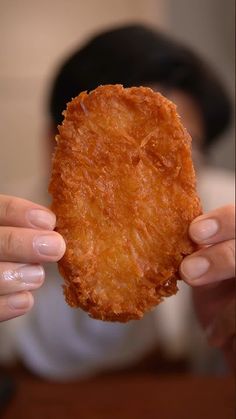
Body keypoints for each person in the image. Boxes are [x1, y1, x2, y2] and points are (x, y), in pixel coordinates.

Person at [0, 25, 234, 378]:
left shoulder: (224, 213)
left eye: (180, 151)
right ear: (55, 142)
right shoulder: (10, 223)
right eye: (110, 156)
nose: (143, 178)